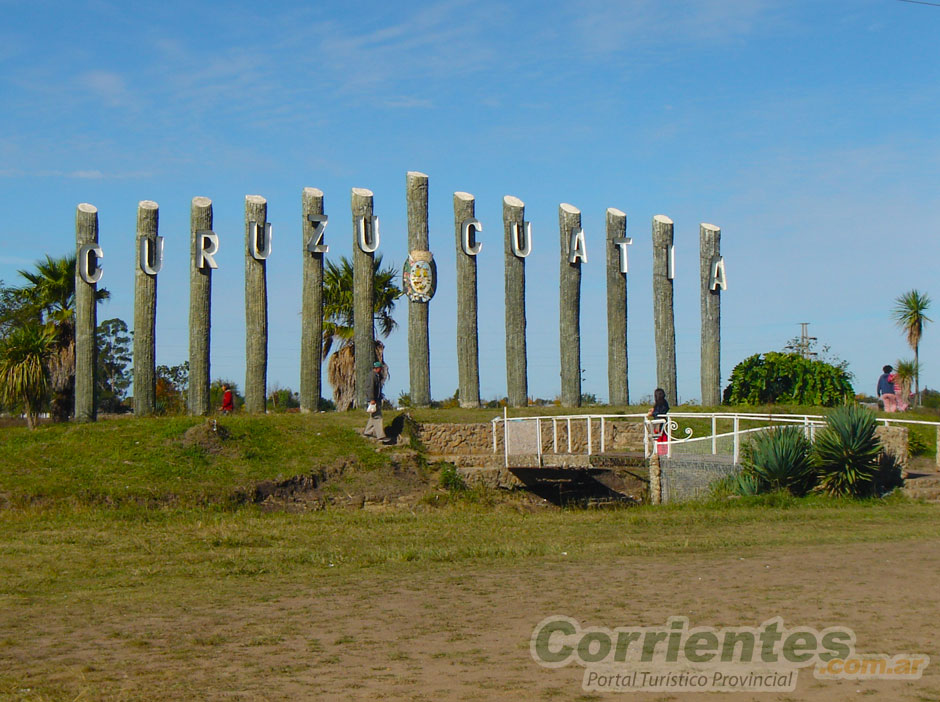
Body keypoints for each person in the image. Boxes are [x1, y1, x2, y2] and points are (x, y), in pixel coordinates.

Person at [363, 361, 389, 442]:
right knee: (378, 417)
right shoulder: (372, 376)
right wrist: (372, 399)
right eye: (380, 368)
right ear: (377, 368)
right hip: (373, 400)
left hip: (376, 399)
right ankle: (380, 435)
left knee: (373, 416)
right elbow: (369, 388)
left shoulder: (376, 376)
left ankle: (367, 432)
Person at [647, 388, 670, 455]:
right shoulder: (664, 402)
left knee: (660, 437)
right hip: (661, 422)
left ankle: (661, 452)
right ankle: (662, 452)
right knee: (661, 437)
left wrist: (652, 413)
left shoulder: (661, 403)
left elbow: (659, 412)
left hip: (660, 423)